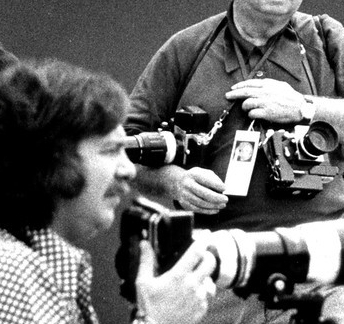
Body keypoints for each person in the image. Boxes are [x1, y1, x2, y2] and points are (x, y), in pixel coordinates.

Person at [125, 0, 344, 322]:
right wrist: (173, 181)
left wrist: (304, 108)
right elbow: (122, 151)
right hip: (220, 271)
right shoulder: (187, 49)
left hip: (322, 266)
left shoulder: (324, 37)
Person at [0, 59, 216, 324]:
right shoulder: (12, 271)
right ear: (52, 158)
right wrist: (159, 319)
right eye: (111, 150)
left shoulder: (37, 265)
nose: (129, 170)